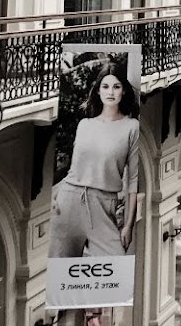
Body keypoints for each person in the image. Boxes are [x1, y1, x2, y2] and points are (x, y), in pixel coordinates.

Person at [50, 62, 140, 258]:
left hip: (103, 204)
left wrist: (128, 225)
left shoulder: (131, 127)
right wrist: (53, 195)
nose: (111, 92)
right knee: (60, 272)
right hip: (68, 202)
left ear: (123, 91)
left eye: (116, 86)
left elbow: (133, 180)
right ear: (98, 91)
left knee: (115, 265)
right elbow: (73, 171)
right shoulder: (85, 125)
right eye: (105, 86)